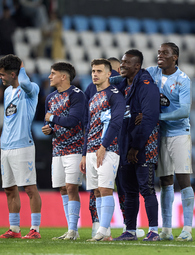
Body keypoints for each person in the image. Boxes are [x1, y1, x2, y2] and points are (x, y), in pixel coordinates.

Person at [147, 43, 194, 241]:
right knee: (165, 180)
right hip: (161, 135)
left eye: (165, 53)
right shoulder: (151, 73)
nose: (160, 55)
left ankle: (188, 229)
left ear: (174, 57)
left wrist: (157, 118)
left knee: (182, 179)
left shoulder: (183, 80)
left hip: (179, 133)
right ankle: (166, 228)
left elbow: (184, 111)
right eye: (159, 52)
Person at [112, 49, 160, 241]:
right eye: (122, 62)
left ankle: (154, 231)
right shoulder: (123, 86)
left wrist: (136, 146)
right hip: (124, 145)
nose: (122, 65)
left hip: (143, 146)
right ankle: (130, 230)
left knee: (146, 188)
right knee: (129, 191)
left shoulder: (146, 85)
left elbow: (149, 119)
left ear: (137, 66)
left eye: (126, 63)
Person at [80, 58, 125, 241]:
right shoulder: (93, 96)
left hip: (108, 149)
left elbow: (116, 123)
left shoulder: (115, 95)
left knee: (106, 189)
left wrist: (104, 146)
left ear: (109, 74)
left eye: (99, 71)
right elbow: (89, 126)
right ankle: (104, 233)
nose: (95, 74)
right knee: (97, 191)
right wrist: (84, 153)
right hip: (91, 150)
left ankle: (104, 230)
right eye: (93, 71)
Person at [41, 62, 85, 240]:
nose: (49, 77)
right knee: (62, 188)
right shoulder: (50, 98)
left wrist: (52, 118)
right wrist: (48, 129)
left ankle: (74, 231)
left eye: (53, 73)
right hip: (57, 149)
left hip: (74, 148)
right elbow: (50, 124)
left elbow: (73, 120)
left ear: (63, 76)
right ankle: (69, 229)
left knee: (71, 187)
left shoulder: (77, 95)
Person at [0, 54, 42, 239]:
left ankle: (35, 229)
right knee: (10, 188)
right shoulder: (8, 91)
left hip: (23, 145)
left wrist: (22, 68)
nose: (0, 77)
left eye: (3, 74)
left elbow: (24, 82)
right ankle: (14, 228)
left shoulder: (31, 89)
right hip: (5, 147)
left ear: (13, 74)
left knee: (30, 188)